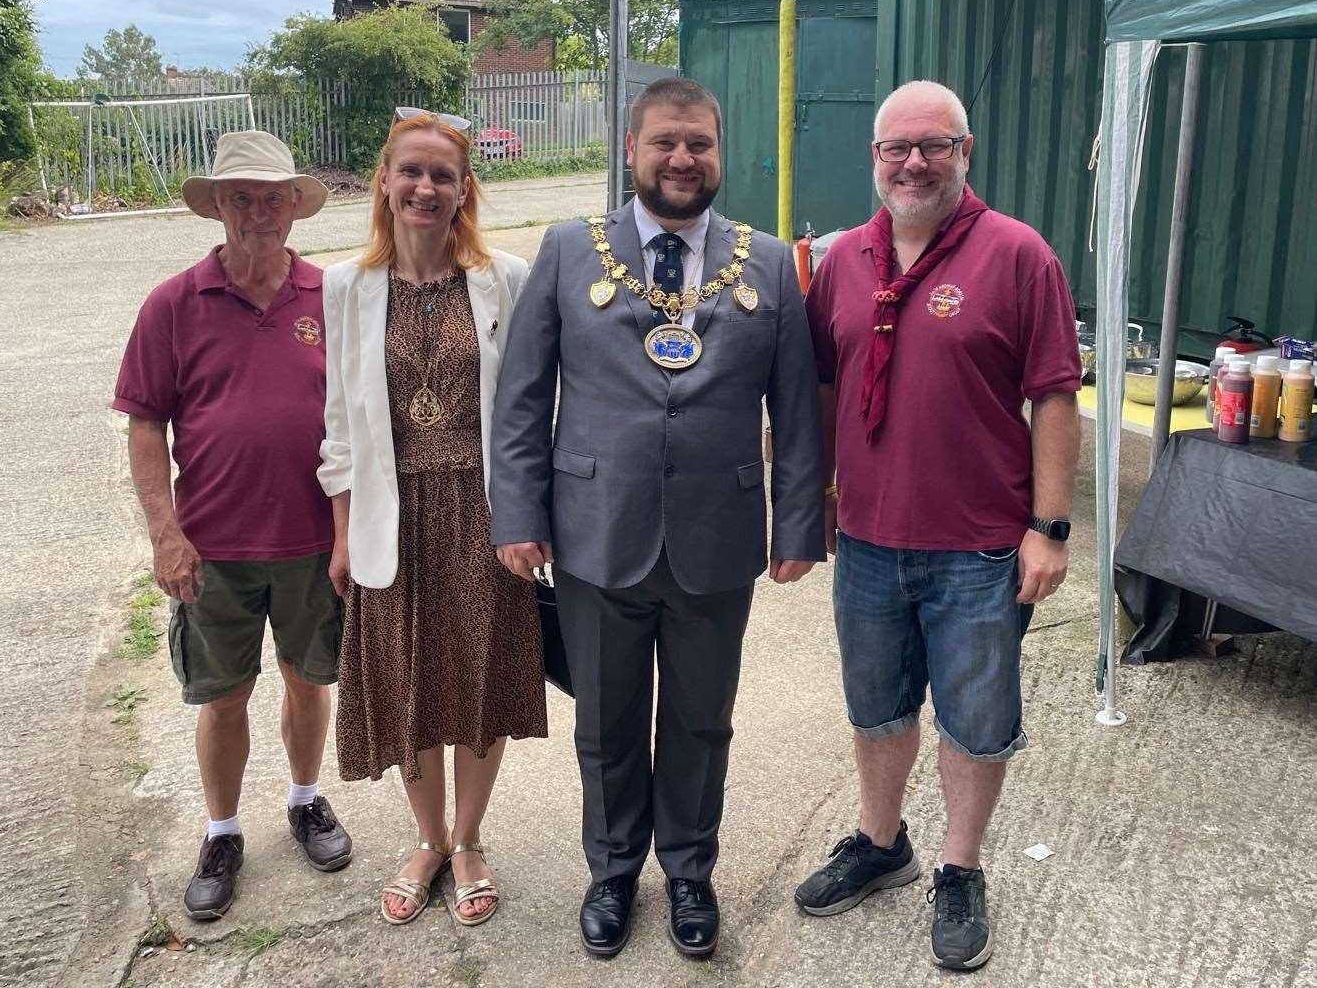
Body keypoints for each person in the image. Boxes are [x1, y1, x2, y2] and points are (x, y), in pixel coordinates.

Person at [490, 77, 823, 960]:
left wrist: (798, 527)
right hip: (596, 531)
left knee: (702, 719)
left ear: (720, 152)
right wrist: (517, 513)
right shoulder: (567, 249)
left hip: (718, 537)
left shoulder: (769, 262)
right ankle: (610, 870)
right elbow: (523, 400)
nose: (683, 160)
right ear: (631, 149)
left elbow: (796, 410)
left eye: (700, 145)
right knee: (605, 718)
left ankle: (688, 871)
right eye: (666, 143)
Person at [797, 81, 1082, 970]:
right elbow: (824, 385)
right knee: (877, 710)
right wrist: (823, 494)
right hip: (872, 542)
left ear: (966, 151)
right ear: (874, 159)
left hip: (982, 545)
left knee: (974, 720)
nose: (913, 162)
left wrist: (1051, 526)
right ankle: (882, 844)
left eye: (933, 145)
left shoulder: (1018, 255)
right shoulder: (846, 258)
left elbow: (1055, 396)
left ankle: (960, 869)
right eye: (896, 148)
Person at [113, 131, 353, 921]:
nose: (259, 213)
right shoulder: (173, 304)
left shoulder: (330, 298)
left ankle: (306, 799)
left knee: (307, 681)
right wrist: (164, 532)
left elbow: (358, 421)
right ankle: (221, 832)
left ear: (294, 206)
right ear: (217, 206)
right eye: (242, 198)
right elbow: (145, 424)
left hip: (314, 541)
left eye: (273, 197)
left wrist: (353, 532)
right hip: (213, 546)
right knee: (223, 698)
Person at [318, 108, 547, 928]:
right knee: (410, 682)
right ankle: (426, 840)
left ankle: (471, 838)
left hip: (483, 512)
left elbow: (528, 411)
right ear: (384, 181)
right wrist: (342, 531)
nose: (424, 187)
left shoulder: (505, 278)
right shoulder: (344, 286)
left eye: (442, 175)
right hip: (392, 512)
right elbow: (340, 424)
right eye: (409, 171)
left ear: (463, 191)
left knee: (481, 679)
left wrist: (531, 514)